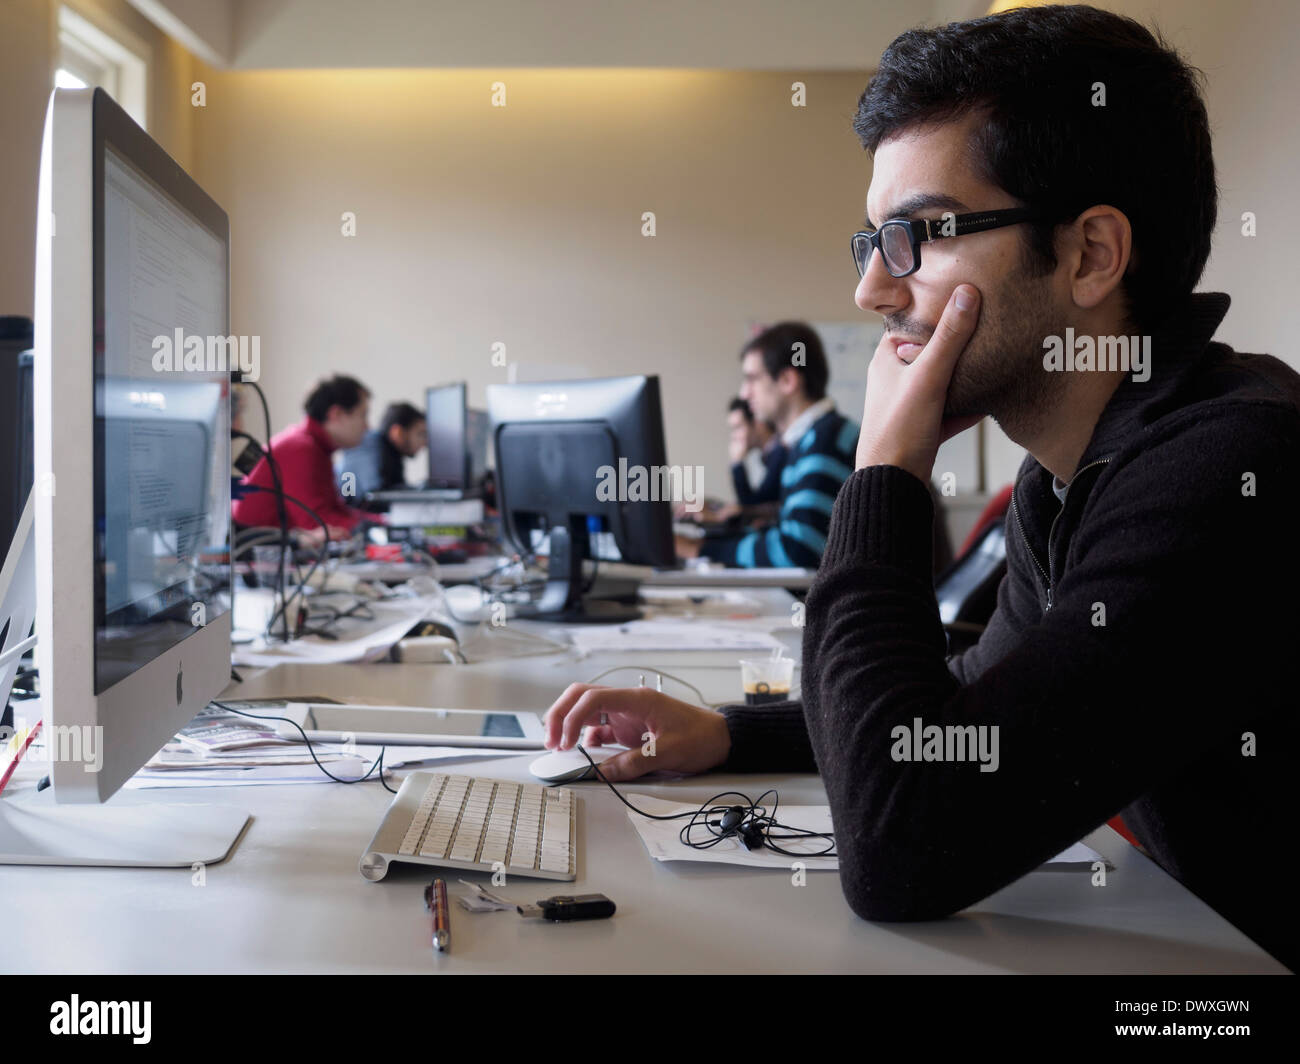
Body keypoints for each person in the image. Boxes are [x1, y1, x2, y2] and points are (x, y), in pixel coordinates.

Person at [543, 5, 1299, 971]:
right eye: (873, 241)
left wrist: (886, 471)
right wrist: (732, 736)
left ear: (1091, 254)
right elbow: (970, 716)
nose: (871, 291)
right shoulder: (1070, 476)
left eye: (920, 234)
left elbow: (904, 843)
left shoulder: (1232, 471)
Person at [678, 322, 857, 568]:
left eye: (752, 379)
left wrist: (700, 548)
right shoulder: (810, 439)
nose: (744, 393)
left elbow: (798, 550)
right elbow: (785, 531)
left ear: (787, 380)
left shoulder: (825, 441)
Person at [231, 374, 376, 540]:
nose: (367, 426)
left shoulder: (314, 447)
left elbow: (334, 512)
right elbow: (314, 523)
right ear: (336, 414)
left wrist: (379, 523)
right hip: (259, 553)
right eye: (363, 415)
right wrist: (370, 528)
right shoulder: (300, 449)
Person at [336, 401, 428, 503]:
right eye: (421, 434)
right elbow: (373, 496)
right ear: (398, 432)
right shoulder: (369, 446)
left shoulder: (393, 454)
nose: (425, 443)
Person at [728, 397, 784, 506]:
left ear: (759, 423)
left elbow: (754, 504)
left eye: (738, 427)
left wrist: (737, 464)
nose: (734, 436)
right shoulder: (767, 456)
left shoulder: (780, 453)